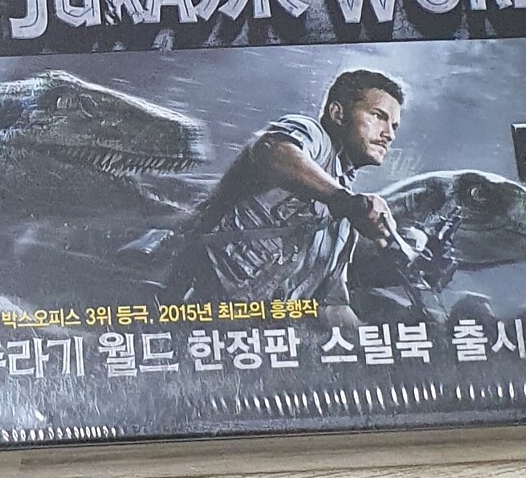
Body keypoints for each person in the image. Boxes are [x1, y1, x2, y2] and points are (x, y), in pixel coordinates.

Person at [165, 68, 405, 324]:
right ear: (338, 114)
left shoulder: (344, 225)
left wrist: (371, 340)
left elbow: (331, 306)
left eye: (394, 126)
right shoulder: (314, 137)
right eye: (378, 116)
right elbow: (274, 150)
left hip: (245, 329)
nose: (389, 135)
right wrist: (347, 202)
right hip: (190, 305)